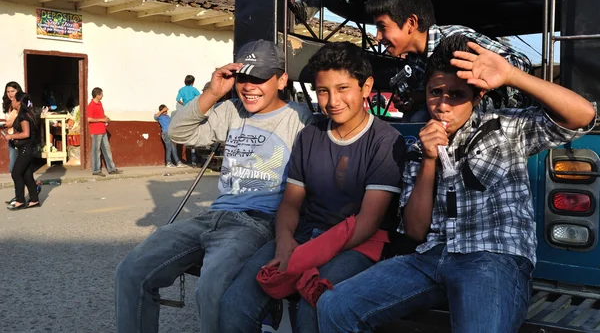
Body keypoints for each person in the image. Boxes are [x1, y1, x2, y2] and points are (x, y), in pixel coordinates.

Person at [317, 35, 596, 333]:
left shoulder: (506, 127)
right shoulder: (418, 146)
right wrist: (428, 159)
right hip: (430, 258)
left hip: (493, 257)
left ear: (477, 98)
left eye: (456, 94)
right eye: (435, 92)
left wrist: (513, 76)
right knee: (334, 306)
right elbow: (415, 230)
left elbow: (582, 115)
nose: (443, 105)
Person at [114, 39, 314, 333]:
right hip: (213, 215)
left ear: (282, 79)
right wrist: (212, 93)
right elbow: (179, 133)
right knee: (130, 272)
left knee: (211, 290)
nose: (248, 86)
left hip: (257, 222)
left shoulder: (298, 118)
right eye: (243, 78)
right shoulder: (231, 110)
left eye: (258, 78)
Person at [219, 42, 405, 333]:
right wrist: (283, 243)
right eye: (323, 91)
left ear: (366, 87)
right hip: (306, 235)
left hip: (356, 244)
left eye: (343, 88)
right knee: (235, 303)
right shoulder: (310, 136)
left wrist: (307, 257)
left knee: (313, 302)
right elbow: (291, 203)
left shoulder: (385, 140)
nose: (332, 100)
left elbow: (368, 222)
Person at [366, 0, 532, 121]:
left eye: (382, 27)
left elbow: (521, 62)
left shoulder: (456, 38)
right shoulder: (415, 60)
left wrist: (488, 74)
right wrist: (416, 98)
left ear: (411, 23)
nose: (378, 37)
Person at [3, 81, 42, 205]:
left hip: (26, 148)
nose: (11, 99)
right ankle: (34, 199)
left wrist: (11, 136)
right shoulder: (24, 114)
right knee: (26, 174)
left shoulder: (23, 116)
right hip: (23, 147)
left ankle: (20, 200)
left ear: (19, 101)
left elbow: (26, 134)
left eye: (14, 97)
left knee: (16, 173)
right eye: (8, 92)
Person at [87, 87, 122, 177]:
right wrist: (102, 119)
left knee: (107, 150)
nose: (102, 95)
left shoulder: (100, 103)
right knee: (96, 151)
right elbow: (89, 119)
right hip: (95, 132)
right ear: (97, 95)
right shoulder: (91, 105)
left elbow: (101, 115)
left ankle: (111, 169)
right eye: (101, 94)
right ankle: (96, 170)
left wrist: (106, 118)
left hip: (102, 130)